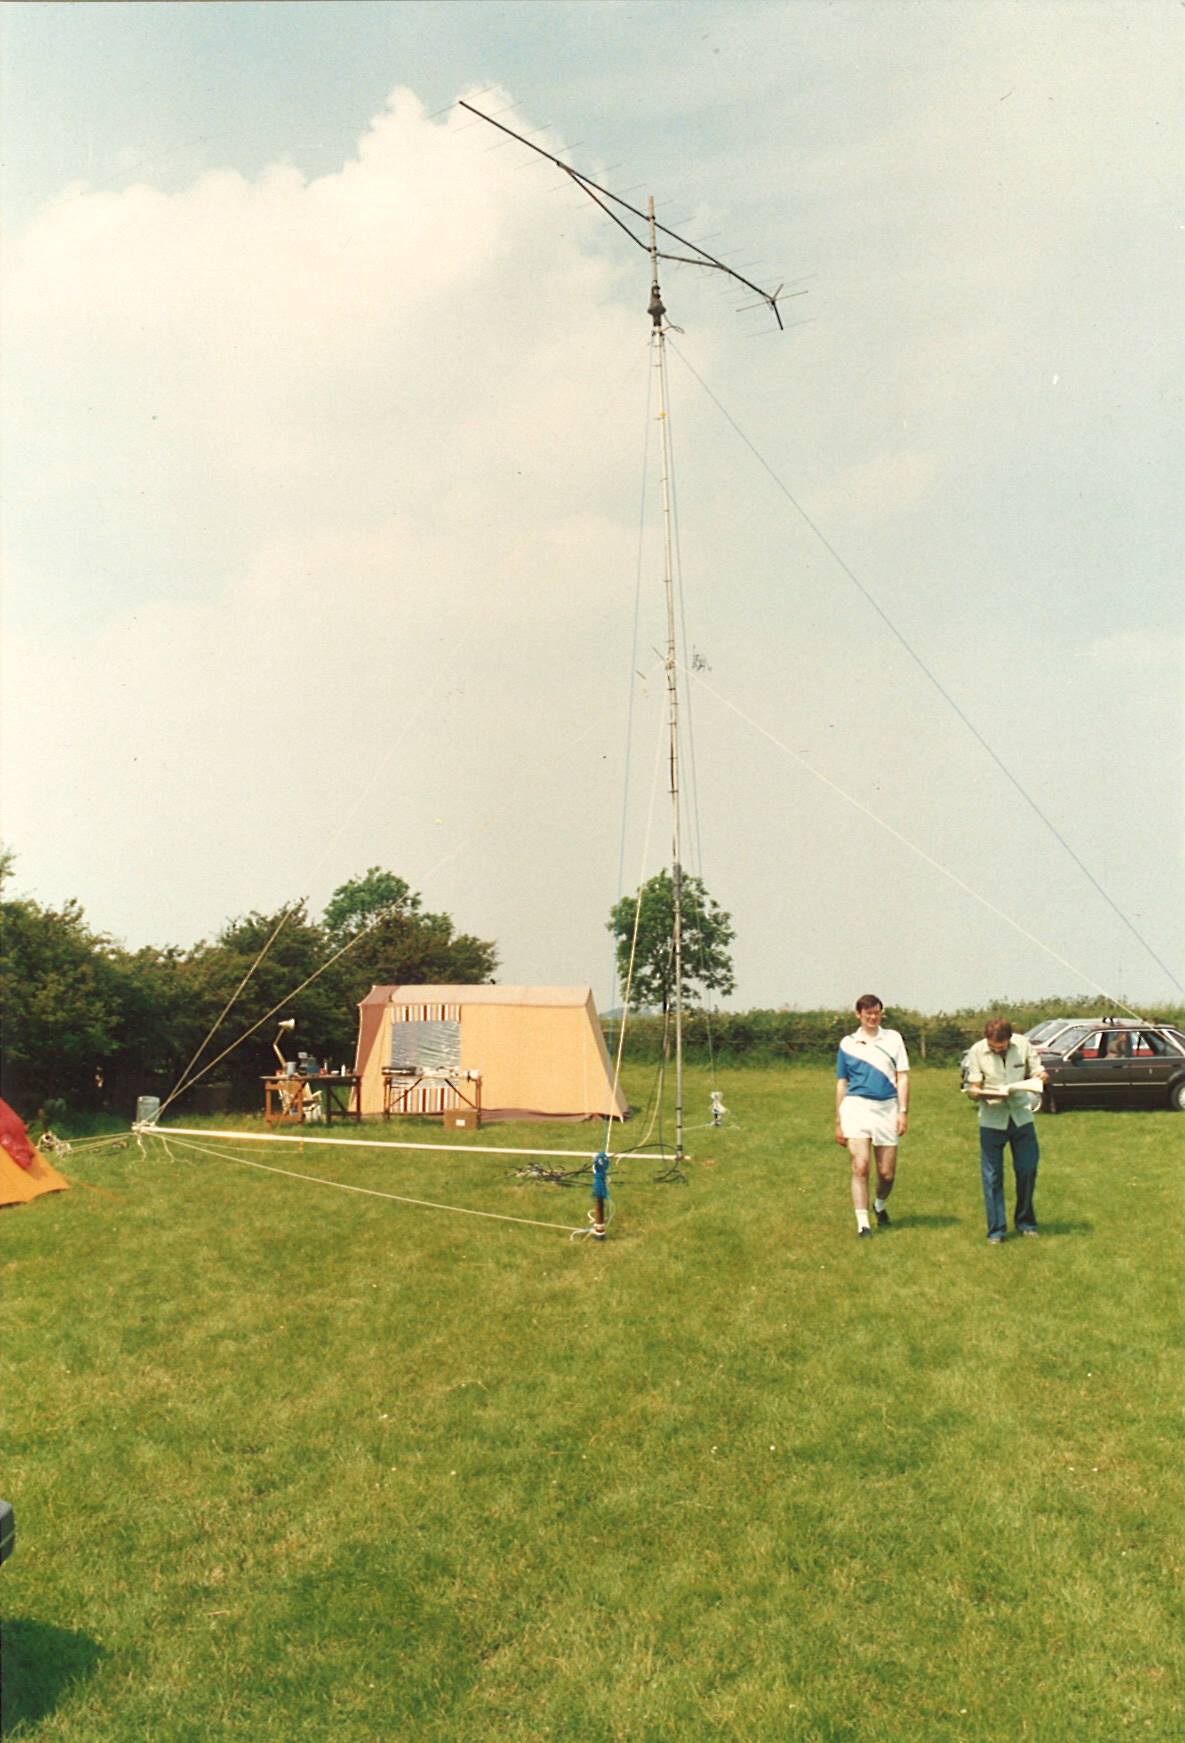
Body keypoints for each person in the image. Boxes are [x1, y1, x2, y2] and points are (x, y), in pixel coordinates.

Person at [963, 1018, 1047, 1243]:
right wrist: (976, 1093)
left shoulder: (1023, 1045)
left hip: (1021, 1117)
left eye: (1001, 1047)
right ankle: (996, 1230)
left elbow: (1039, 1071)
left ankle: (1026, 1222)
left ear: (1010, 1040)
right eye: (993, 1047)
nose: (997, 1050)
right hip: (992, 1120)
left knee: (1028, 1169)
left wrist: (1040, 1077)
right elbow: (974, 1086)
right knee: (992, 1176)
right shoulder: (976, 1051)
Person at [835, 994, 910, 1238]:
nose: (873, 1018)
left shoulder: (893, 1038)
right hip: (856, 1108)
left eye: (877, 1013)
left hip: (887, 1108)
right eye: (868, 1014)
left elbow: (903, 1077)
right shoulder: (847, 1043)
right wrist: (838, 1121)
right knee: (861, 1166)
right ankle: (863, 1224)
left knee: (886, 1174)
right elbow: (842, 1083)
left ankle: (879, 1205)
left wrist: (902, 1112)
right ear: (859, 1015)